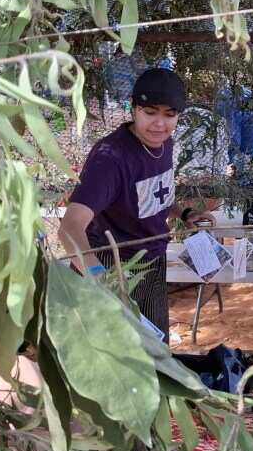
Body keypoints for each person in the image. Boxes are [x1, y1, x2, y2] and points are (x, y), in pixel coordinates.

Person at [59, 68, 215, 334]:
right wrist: (98, 275)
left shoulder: (164, 144)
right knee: (110, 350)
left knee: (154, 347)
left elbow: (155, 194)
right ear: (133, 110)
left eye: (169, 115)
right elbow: (69, 228)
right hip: (110, 264)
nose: (159, 124)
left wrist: (184, 213)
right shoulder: (110, 158)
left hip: (152, 262)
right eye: (150, 112)